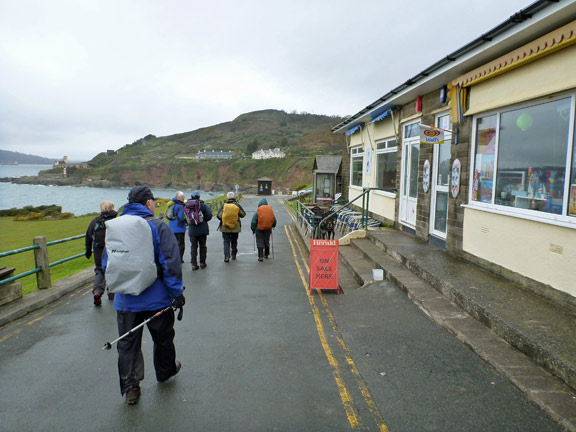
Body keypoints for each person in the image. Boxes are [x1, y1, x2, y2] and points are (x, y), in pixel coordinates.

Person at [105, 185, 185, 405]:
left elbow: (107, 262)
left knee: (127, 345)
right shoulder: (158, 226)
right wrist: (177, 292)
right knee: (163, 338)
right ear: (148, 203)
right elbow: (170, 263)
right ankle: (165, 371)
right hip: (157, 298)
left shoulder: (115, 228)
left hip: (125, 301)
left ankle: (131, 388)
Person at [85, 201, 118, 306]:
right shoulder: (117, 220)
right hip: (113, 249)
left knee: (99, 270)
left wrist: (88, 250)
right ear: (112, 208)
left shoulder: (95, 221)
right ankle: (112, 292)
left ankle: (97, 292)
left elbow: (88, 236)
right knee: (113, 269)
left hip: (99, 249)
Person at [186, 190, 213, 270]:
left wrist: (190, 223)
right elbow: (209, 215)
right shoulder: (203, 205)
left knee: (193, 247)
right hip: (202, 229)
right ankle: (202, 262)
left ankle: (194, 264)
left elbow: (184, 217)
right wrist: (203, 221)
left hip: (192, 230)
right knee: (203, 246)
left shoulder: (187, 206)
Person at [216, 192, 246, 263]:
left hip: (225, 227)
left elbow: (218, 215)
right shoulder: (237, 205)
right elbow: (243, 214)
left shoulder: (224, 205)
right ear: (234, 197)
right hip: (235, 227)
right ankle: (233, 254)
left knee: (226, 241)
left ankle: (226, 256)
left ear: (227, 198)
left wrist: (224, 219)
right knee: (234, 241)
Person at [167, 191, 187, 263]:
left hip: (172, 226)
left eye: (183, 197)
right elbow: (181, 217)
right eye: (182, 197)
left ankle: (173, 257)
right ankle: (180, 258)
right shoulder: (181, 206)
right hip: (179, 227)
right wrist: (187, 221)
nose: (183, 198)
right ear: (178, 198)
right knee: (181, 244)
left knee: (173, 244)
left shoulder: (172, 204)